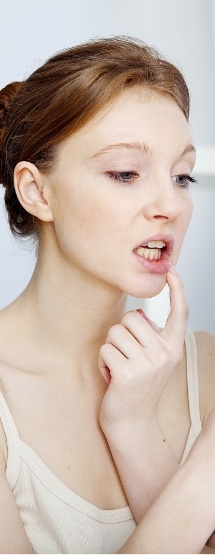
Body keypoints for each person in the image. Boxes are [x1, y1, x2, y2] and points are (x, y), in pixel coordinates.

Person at [0, 35, 214, 554]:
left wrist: (133, 427)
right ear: (37, 190)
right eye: (125, 173)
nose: (171, 205)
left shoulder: (207, 370)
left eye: (181, 175)